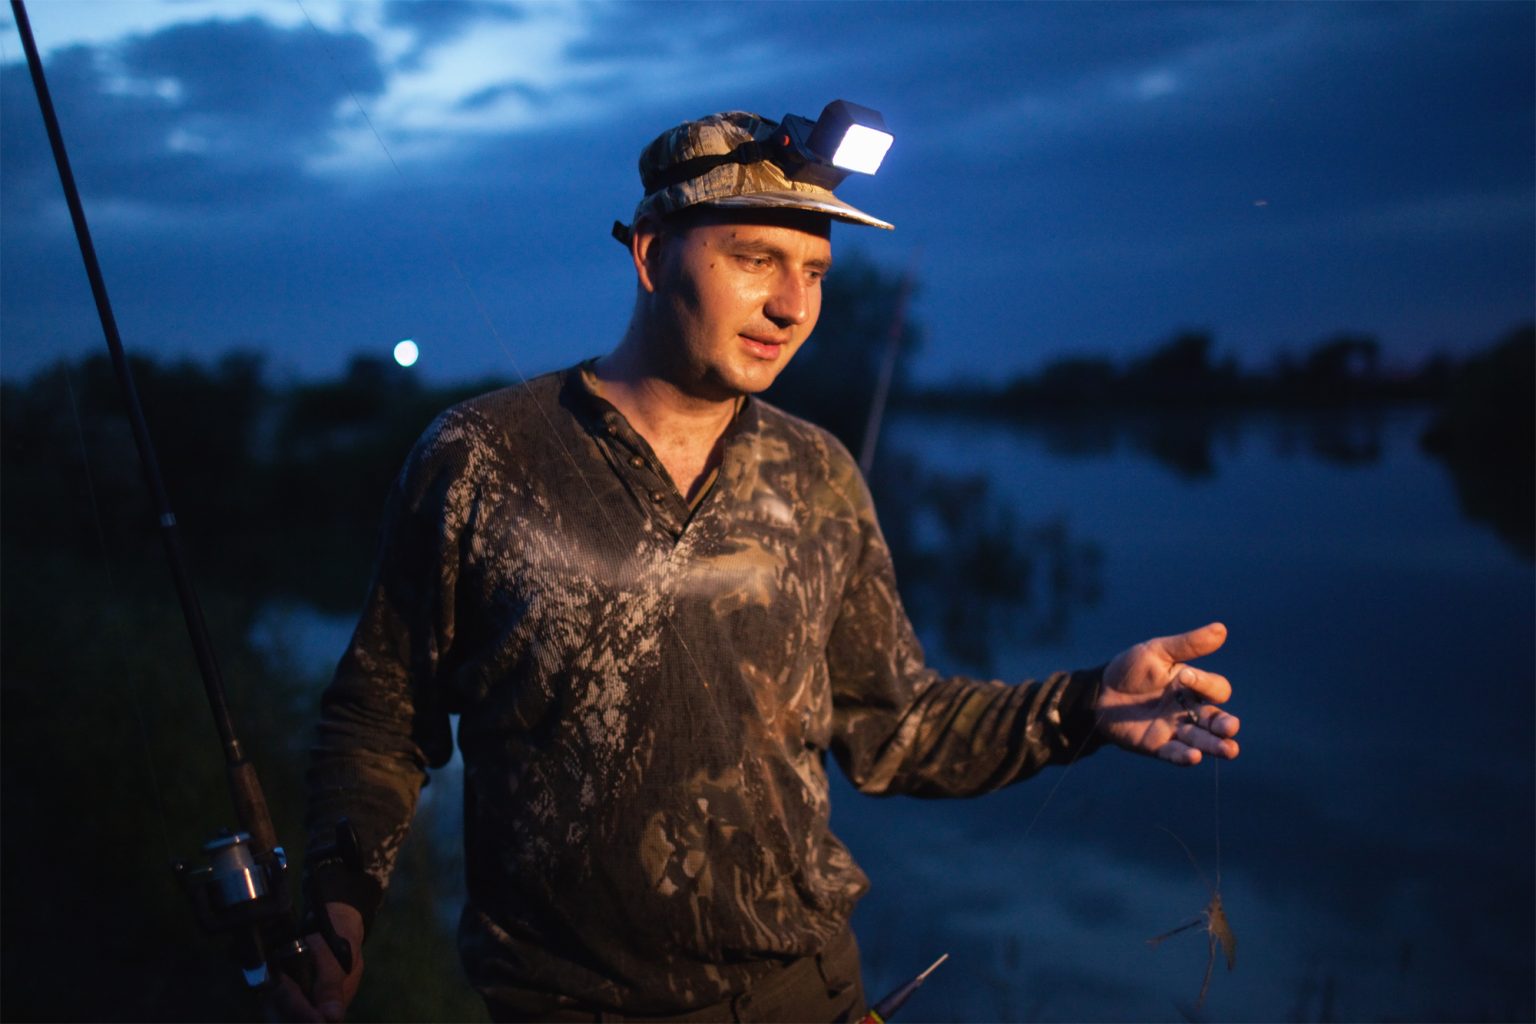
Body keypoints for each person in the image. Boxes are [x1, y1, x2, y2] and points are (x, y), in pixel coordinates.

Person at [274, 108, 1240, 1023]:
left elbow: (896, 725)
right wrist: (340, 903)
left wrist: (1085, 707)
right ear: (653, 256)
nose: (791, 304)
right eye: (756, 259)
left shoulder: (818, 472)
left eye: (815, 271)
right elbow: (381, 717)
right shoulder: (482, 456)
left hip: (807, 995)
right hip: (565, 1006)